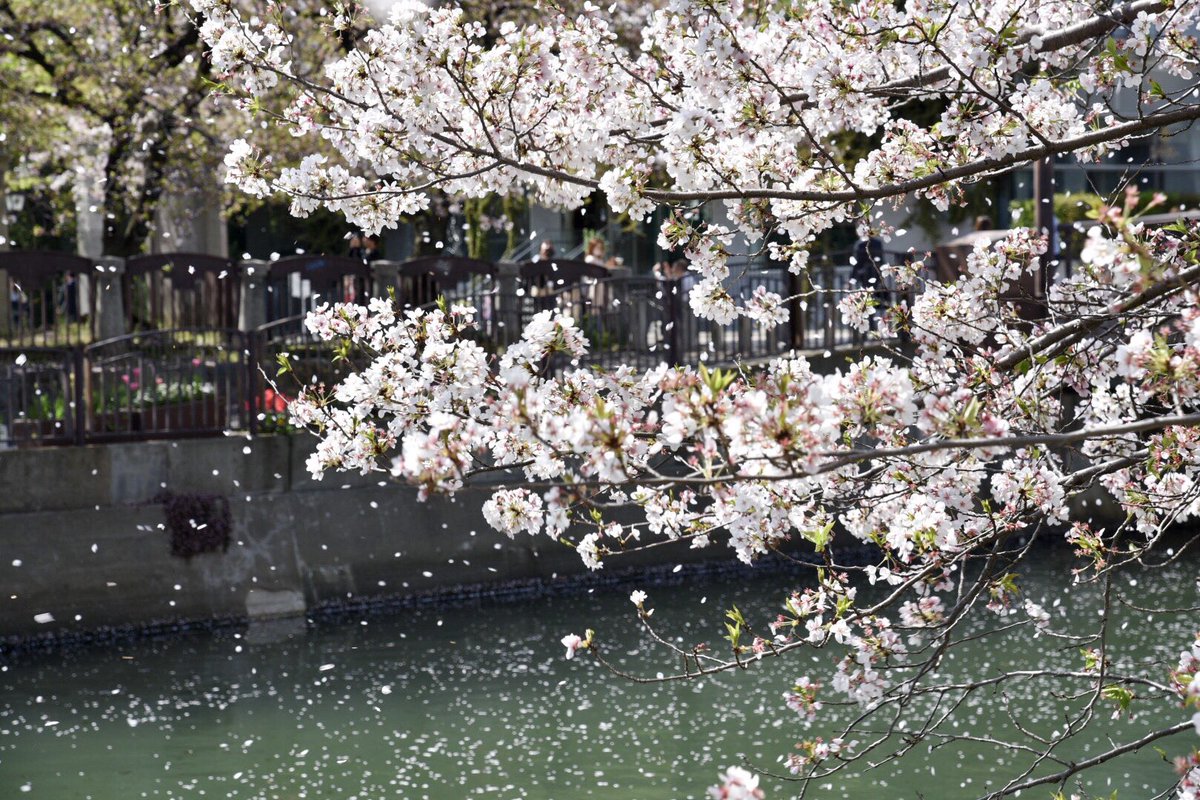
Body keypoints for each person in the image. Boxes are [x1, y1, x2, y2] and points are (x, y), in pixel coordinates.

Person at [850, 227, 889, 329]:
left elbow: (857, 263)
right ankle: (872, 325)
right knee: (871, 299)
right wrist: (881, 276)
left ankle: (871, 325)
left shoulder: (860, 244)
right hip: (873, 274)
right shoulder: (876, 243)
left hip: (865, 275)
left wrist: (853, 278)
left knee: (867, 299)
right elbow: (881, 260)